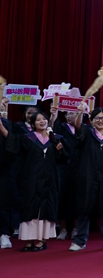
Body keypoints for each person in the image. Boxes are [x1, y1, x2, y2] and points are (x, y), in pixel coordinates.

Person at [0, 110, 67, 251]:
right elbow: (12, 141)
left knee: (46, 208)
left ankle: (42, 240)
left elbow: (64, 158)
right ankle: (29, 240)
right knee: (30, 208)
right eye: (38, 120)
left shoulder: (55, 138)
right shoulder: (27, 138)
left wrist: (60, 150)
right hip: (30, 180)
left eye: (44, 119)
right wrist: (0, 126)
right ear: (32, 123)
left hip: (50, 181)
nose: (42, 121)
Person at [68, 106, 103, 251]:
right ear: (92, 120)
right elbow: (78, 126)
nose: (100, 121)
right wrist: (80, 112)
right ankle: (80, 241)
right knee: (84, 209)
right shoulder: (87, 134)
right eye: (97, 118)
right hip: (87, 177)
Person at [52, 107, 80, 240]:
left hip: (79, 168)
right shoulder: (61, 128)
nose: (68, 116)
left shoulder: (83, 129)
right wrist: (53, 116)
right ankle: (63, 229)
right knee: (62, 198)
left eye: (71, 113)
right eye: (67, 113)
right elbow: (51, 132)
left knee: (77, 199)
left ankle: (75, 228)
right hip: (63, 168)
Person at [0, 97, 18, 250]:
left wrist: (1, 128)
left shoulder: (7, 124)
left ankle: (4, 234)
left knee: (3, 203)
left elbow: (15, 147)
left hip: (4, 169)